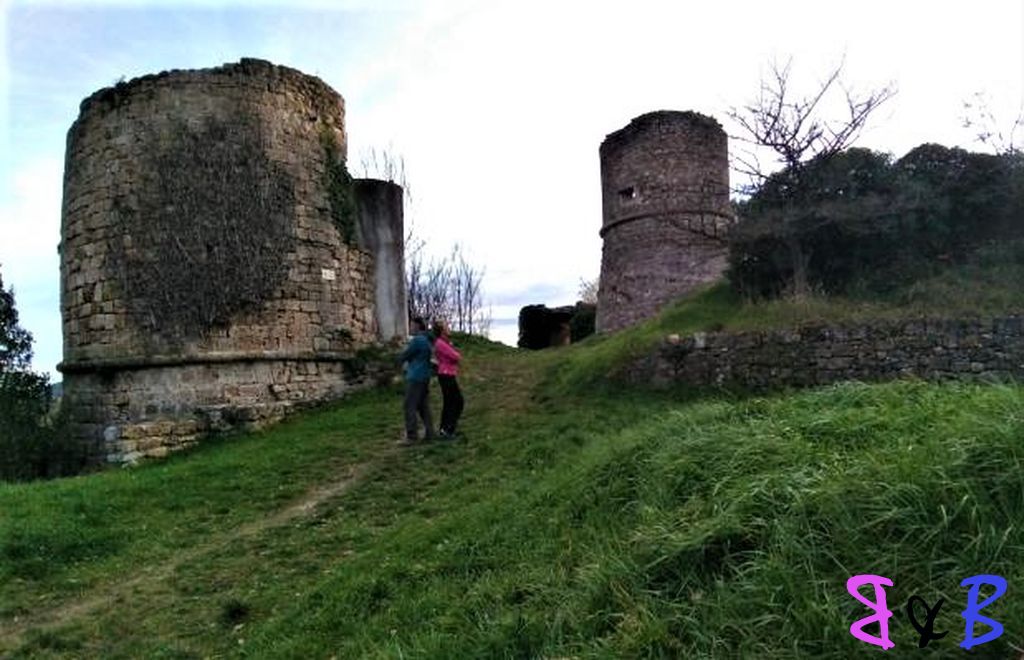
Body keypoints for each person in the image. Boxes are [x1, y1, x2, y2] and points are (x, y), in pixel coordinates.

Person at [399, 317, 435, 444]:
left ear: (418, 326)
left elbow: (406, 354)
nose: (410, 327)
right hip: (425, 376)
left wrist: (397, 359)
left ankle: (412, 436)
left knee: (409, 405)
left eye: (412, 325)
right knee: (423, 406)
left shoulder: (418, 340)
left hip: (415, 376)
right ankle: (430, 433)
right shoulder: (427, 339)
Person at [431, 319, 464, 438]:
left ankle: (447, 429)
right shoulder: (440, 343)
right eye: (446, 327)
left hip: (447, 374)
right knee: (456, 402)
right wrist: (454, 352)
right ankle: (447, 429)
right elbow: (456, 356)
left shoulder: (444, 343)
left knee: (450, 402)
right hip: (446, 375)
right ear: (442, 331)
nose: (449, 328)